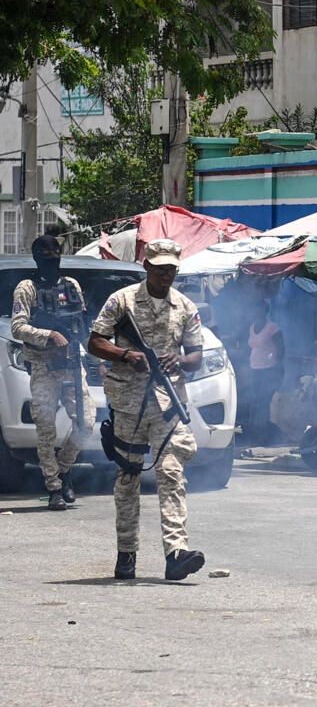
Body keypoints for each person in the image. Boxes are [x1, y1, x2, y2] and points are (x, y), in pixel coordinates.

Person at [88, 239, 206, 581]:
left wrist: (179, 359)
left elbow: (196, 356)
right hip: (128, 403)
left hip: (168, 403)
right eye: (159, 267)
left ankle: (176, 553)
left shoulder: (184, 306)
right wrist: (126, 355)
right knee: (128, 477)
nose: (165, 274)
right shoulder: (121, 300)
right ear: (147, 266)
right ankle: (127, 553)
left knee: (171, 470)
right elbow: (95, 340)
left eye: (171, 268)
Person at [11, 234, 96, 511]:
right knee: (46, 432)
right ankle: (55, 488)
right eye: (46, 256)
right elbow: (18, 327)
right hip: (43, 367)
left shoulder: (71, 285)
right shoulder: (27, 288)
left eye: (56, 254)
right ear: (36, 258)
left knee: (86, 423)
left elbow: (81, 324)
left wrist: (101, 359)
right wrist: (49, 335)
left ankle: (63, 468)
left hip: (72, 365)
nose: (53, 260)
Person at [243, 299, 285, 444]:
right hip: (255, 369)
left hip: (269, 371)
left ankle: (267, 436)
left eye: (257, 310)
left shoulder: (272, 327)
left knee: (265, 403)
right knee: (256, 402)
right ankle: (256, 434)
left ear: (264, 311)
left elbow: (281, 349)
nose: (254, 313)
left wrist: (276, 366)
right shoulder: (252, 327)